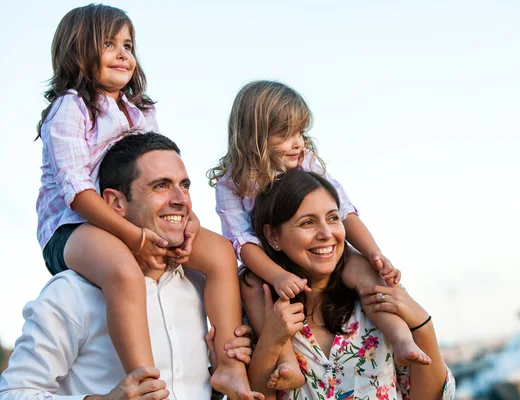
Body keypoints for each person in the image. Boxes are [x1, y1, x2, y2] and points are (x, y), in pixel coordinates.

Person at [35, 5, 250, 397]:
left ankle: (228, 365)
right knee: (122, 270)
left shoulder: (139, 111)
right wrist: (135, 237)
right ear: (76, 50)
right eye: (109, 44)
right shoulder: (70, 108)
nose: (123, 54)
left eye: (128, 45)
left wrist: (190, 223)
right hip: (71, 226)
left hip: (130, 216)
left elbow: (160, 172)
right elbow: (77, 192)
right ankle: (146, 380)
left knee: (219, 254)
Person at [0, 133, 263, 400]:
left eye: (184, 186)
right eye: (161, 186)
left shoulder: (202, 283)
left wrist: (216, 374)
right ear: (116, 203)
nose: (181, 200)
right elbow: (13, 393)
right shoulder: (72, 293)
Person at [207, 80, 429, 389]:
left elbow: (343, 211)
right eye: (285, 135)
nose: (297, 143)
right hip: (267, 261)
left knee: (362, 267)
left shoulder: (305, 161)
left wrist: (374, 252)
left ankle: (401, 337)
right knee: (250, 285)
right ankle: (286, 362)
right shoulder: (232, 182)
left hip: (314, 254)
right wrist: (277, 276)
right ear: (254, 137)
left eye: (300, 133)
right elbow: (241, 242)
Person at [245, 169, 455, 399]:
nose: (327, 233)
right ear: (273, 236)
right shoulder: (255, 306)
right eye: (307, 222)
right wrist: (271, 341)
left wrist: (422, 324)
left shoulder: (375, 294)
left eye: (333, 218)